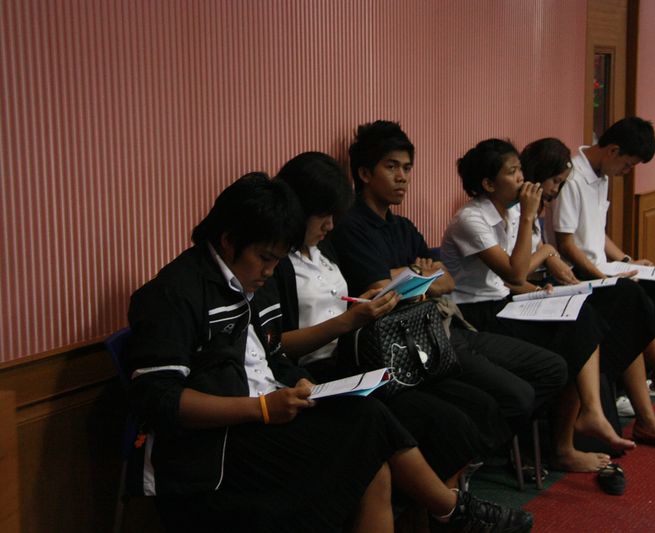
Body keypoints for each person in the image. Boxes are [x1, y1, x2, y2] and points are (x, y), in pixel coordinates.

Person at [126, 173, 533, 532]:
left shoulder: (250, 280)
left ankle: (450, 511)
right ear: (229, 240)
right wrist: (262, 409)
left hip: (268, 412)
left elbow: (270, 354)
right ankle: (451, 510)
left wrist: (301, 384)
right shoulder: (173, 294)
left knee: (370, 439)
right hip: (216, 447)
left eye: (277, 260)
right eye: (264, 258)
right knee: (367, 431)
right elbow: (160, 400)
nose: (269, 271)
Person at [440, 139, 655, 471]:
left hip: (505, 301)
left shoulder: (510, 212)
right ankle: (568, 439)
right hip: (474, 315)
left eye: (520, 170)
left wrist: (540, 288)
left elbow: (514, 279)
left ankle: (587, 418)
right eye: (512, 172)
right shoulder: (471, 219)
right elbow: (514, 272)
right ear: (488, 184)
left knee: (581, 312)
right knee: (571, 332)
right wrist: (530, 221)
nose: (521, 178)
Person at [330, 120, 568, 460]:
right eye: (392, 167)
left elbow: (446, 281)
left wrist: (410, 277)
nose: (403, 177)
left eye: (407, 168)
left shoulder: (402, 225)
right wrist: (418, 274)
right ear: (365, 174)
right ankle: (466, 460)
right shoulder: (351, 226)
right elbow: (381, 288)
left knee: (552, 368)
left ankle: (472, 455)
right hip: (402, 345)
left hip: (441, 327)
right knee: (512, 395)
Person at [272, 151, 510, 490]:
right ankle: (445, 508)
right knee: (441, 420)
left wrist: (366, 302)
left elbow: (341, 306)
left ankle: (445, 503)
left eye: (333, 216)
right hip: (318, 372)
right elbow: (276, 345)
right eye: (323, 216)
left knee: (472, 405)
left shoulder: (323, 249)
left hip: (360, 358)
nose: (330, 226)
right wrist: (349, 321)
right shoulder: (278, 262)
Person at [550, 117, 655, 400]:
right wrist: (603, 277)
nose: (626, 172)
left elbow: (597, 232)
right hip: (576, 273)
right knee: (636, 300)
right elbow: (566, 245)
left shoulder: (601, 175)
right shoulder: (572, 179)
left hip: (601, 267)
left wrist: (626, 260)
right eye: (627, 165)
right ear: (613, 150)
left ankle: (640, 382)